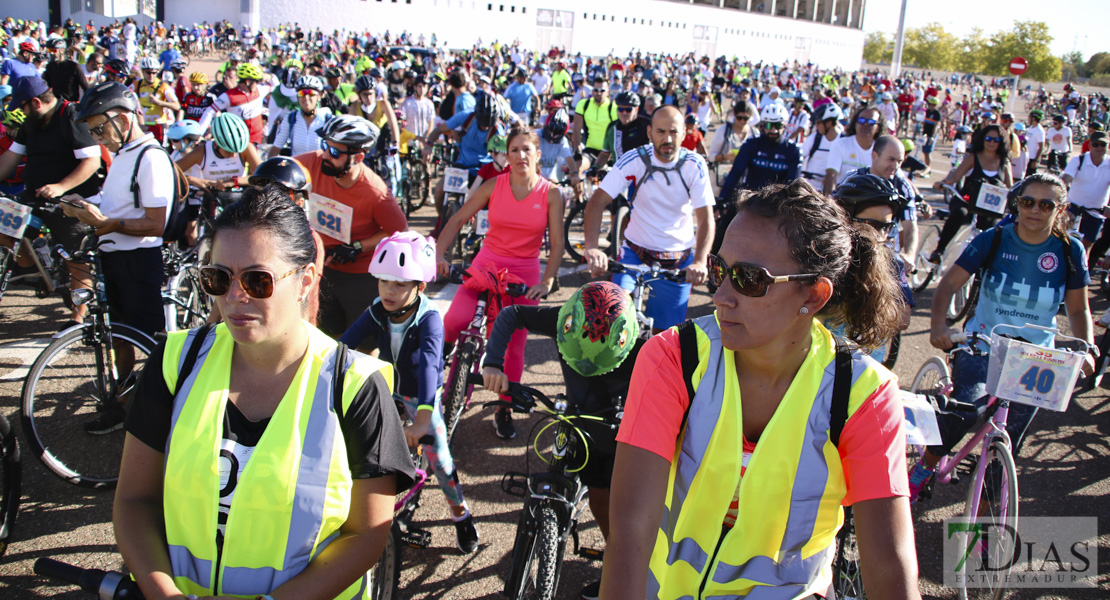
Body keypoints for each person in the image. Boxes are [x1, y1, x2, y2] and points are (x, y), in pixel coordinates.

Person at [600, 179, 918, 600]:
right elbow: (630, 534)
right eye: (719, 270)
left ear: (814, 294)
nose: (720, 296)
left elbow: (889, 563)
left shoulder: (864, 395)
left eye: (749, 279)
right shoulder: (674, 358)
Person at [114, 186, 415, 600]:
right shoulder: (173, 362)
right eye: (217, 278)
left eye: (258, 280)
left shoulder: (356, 385)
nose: (234, 297)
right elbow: (133, 501)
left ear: (305, 280)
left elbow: (366, 535)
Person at [913, 173, 1095, 500]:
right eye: (1027, 202)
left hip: (1038, 357)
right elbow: (949, 285)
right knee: (968, 409)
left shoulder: (1070, 250)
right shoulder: (993, 239)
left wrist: (1087, 347)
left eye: (1045, 204)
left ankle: (986, 522)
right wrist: (939, 326)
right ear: (1017, 204)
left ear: (1061, 208)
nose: (1034, 210)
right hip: (983, 344)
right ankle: (925, 465)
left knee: (1009, 438)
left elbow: (1079, 310)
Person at [481, 281, 646, 600]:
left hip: (619, 430)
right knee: (599, 500)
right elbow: (512, 313)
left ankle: (618, 567)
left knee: (626, 513)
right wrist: (492, 362)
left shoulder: (645, 343)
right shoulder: (562, 317)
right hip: (579, 421)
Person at [339, 231, 480, 554]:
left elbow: (431, 368)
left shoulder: (428, 319)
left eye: (400, 284)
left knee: (440, 459)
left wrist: (422, 421)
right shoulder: (377, 309)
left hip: (421, 397)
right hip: (389, 389)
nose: (389, 291)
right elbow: (344, 345)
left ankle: (461, 515)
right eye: (384, 281)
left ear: (420, 287)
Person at [435, 125, 564, 440]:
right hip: (487, 264)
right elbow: (456, 219)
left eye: (527, 149)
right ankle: (443, 362)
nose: (521, 155)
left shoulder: (552, 193)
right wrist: (438, 255)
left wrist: (547, 282)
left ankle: (503, 407)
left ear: (538, 155)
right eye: (514, 150)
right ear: (507, 155)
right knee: (456, 319)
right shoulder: (494, 185)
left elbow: (558, 245)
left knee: (513, 347)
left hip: (525, 273)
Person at [59, 82, 174, 432]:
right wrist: (86, 208)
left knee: (153, 344)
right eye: (92, 131)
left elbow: (157, 223)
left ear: (123, 120)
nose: (97, 138)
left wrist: (104, 222)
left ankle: (159, 417)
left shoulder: (150, 157)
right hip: (117, 257)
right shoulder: (124, 155)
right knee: (120, 337)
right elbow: (120, 206)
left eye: (99, 129)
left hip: (139, 261)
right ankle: (123, 404)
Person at [583, 106, 715, 332]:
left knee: (665, 338)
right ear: (649, 132)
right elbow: (596, 203)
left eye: (674, 132)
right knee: (612, 319)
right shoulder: (633, 159)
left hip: (678, 258)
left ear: (684, 133)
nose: (667, 139)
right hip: (635, 254)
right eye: (660, 132)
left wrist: (700, 261)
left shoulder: (695, 165)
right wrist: (592, 248)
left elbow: (706, 219)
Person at [0, 76, 104, 328]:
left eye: (22, 107)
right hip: (34, 195)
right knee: (2, 226)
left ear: (35, 102)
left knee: (75, 257)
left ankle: (78, 317)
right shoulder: (31, 123)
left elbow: (92, 161)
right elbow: (10, 158)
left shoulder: (71, 116)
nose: (20, 113)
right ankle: (30, 266)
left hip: (71, 199)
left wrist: (60, 187)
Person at [295, 115, 407, 338]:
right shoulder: (313, 163)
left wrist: (357, 246)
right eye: (326, 146)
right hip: (322, 267)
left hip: (359, 275)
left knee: (363, 343)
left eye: (335, 153)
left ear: (358, 157)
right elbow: (281, 170)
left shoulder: (374, 192)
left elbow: (398, 231)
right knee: (322, 336)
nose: (326, 155)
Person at [825, 173, 913, 363]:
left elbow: (903, 319)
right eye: (871, 225)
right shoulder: (823, 257)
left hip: (864, 366)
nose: (879, 234)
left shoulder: (891, 262)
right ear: (843, 219)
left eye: (886, 226)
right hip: (816, 360)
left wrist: (877, 294)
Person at [715, 102, 801, 254]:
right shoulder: (752, 144)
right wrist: (723, 199)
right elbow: (736, 172)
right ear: (762, 125)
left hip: (774, 207)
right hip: (748, 201)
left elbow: (791, 185)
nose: (773, 130)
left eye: (777, 125)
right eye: (768, 125)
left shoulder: (792, 150)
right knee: (722, 233)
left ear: (785, 126)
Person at [930, 124, 1013, 261]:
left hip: (989, 208)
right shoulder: (973, 157)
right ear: (982, 139)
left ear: (1001, 142)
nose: (991, 142)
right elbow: (956, 175)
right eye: (988, 138)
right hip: (967, 200)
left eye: (996, 140)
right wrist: (943, 183)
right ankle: (939, 250)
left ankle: (983, 265)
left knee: (994, 229)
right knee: (959, 213)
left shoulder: (1004, 162)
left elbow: (1010, 187)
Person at [176, 112, 263, 192]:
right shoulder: (202, 151)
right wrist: (191, 180)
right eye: (228, 151)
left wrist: (234, 181)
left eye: (236, 152)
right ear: (216, 144)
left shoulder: (246, 148)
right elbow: (170, 171)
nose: (233, 155)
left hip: (238, 198)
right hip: (212, 198)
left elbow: (264, 175)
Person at [200, 62, 272, 145]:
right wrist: (199, 133)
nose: (258, 83)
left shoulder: (259, 90)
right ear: (248, 82)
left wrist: (269, 76)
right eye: (256, 81)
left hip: (259, 138)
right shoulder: (229, 96)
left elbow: (275, 85)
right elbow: (210, 111)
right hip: (240, 141)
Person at [1062, 130, 1110, 250]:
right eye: (1096, 144)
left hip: (1096, 212)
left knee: (1086, 246)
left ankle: (1081, 268)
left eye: (1103, 144)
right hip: (1073, 208)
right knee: (1064, 241)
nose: (1099, 147)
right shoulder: (1078, 160)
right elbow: (1066, 178)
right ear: (1090, 146)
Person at [823, 105, 884, 194]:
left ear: (878, 127)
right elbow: (831, 175)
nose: (865, 124)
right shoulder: (841, 144)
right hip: (842, 198)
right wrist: (830, 201)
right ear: (855, 123)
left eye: (871, 122)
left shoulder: (882, 150)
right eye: (861, 120)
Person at [270, 74, 333, 158]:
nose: (306, 97)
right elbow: (276, 148)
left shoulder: (329, 120)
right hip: (297, 169)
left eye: (311, 93)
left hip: (319, 169)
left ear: (319, 96)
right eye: (302, 93)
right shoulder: (290, 119)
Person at [592, 90, 650, 169]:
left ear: (636, 109)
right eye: (621, 109)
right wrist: (595, 168)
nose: (624, 113)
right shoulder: (612, 128)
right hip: (620, 175)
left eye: (628, 110)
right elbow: (605, 154)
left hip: (642, 174)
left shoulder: (646, 125)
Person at [133, 56, 179, 143]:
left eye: (154, 73)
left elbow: (177, 106)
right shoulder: (137, 84)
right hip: (143, 125)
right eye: (148, 72)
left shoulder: (163, 86)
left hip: (159, 125)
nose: (151, 75)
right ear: (143, 71)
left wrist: (159, 102)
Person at [800, 102, 842, 188]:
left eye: (818, 123)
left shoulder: (844, 142)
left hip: (833, 190)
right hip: (811, 188)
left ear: (829, 123)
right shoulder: (814, 138)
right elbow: (800, 156)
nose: (816, 126)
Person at [707, 99, 755, 169]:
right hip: (725, 173)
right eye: (739, 118)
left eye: (746, 118)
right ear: (734, 116)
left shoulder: (754, 133)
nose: (742, 121)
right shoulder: (723, 131)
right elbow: (711, 157)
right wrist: (724, 157)